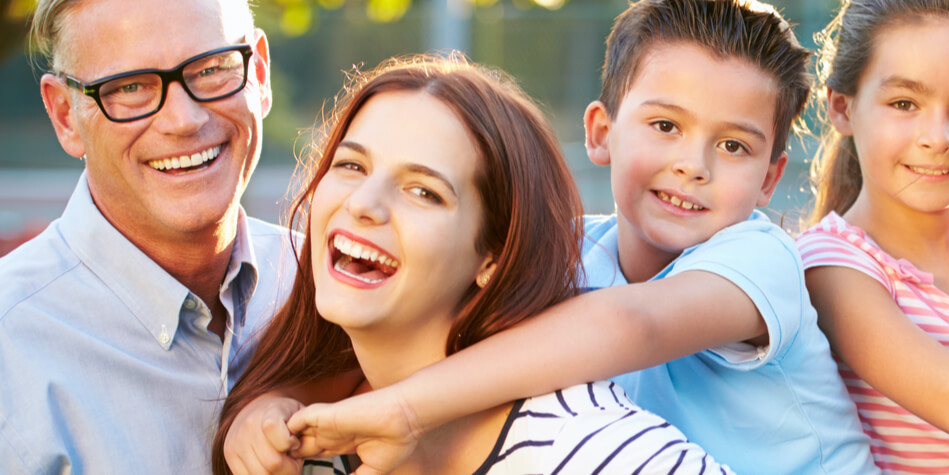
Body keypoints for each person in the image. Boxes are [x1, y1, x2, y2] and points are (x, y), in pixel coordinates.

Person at [222, 0, 876, 473]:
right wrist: (277, 405)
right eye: (666, 126)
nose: (693, 163)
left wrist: (405, 411)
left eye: (734, 145)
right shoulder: (568, 252)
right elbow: (413, 333)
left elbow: (633, 327)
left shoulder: (762, 259)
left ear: (770, 179)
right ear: (600, 132)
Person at [211, 53, 728, 475]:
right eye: (351, 165)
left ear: (494, 257)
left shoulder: (588, 448)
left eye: (424, 191)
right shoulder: (305, 439)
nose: (364, 202)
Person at [0, 0, 293, 472]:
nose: (184, 120)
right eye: (130, 87)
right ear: (64, 115)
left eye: (211, 68)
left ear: (258, 73)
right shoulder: (9, 351)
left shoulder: (329, 287)